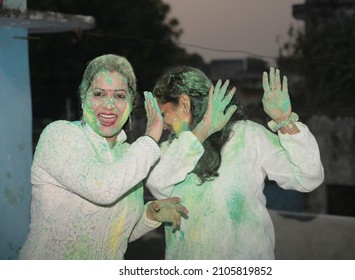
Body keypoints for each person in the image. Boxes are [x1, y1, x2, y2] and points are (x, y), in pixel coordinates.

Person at [19, 54, 188, 260]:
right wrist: (151, 137)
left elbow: (116, 234)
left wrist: (150, 216)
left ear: (131, 102)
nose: (109, 105)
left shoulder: (128, 155)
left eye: (119, 96)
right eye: (99, 94)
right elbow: (104, 188)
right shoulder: (59, 136)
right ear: (83, 97)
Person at [146, 66, 325, 259]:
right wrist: (203, 130)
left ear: (184, 104)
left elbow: (308, 179)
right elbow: (156, 185)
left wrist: (285, 121)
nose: (163, 124)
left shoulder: (246, 136)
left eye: (164, 114)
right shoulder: (169, 151)